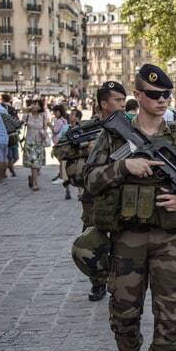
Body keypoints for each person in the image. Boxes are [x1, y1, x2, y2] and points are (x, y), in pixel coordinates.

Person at [85, 63, 176, 351]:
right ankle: (128, 347)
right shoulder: (114, 137)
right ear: (138, 95)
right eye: (154, 94)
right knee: (124, 312)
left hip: (168, 241)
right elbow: (89, 180)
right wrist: (124, 168)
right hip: (127, 240)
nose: (162, 100)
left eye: (167, 94)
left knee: (171, 317)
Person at [67, 81, 127, 302]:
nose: (122, 104)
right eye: (117, 100)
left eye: (123, 100)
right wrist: (85, 148)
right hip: (92, 197)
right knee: (93, 238)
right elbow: (61, 148)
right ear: (104, 103)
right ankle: (98, 282)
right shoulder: (88, 127)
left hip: (118, 195)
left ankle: (118, 281)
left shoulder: (128, 128)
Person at [22, 99, 49, 192]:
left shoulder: (43, 116)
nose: (35, 106)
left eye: (37, 105)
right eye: (34, 104)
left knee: (37, 165)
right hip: (30, 142)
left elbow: (45, 127)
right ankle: (36, 184)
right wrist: (28, 108)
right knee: (34, 164)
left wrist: (44, 133)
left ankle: (32, 177)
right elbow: (22, 114)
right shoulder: (27, 116)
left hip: (39, 142)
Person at [1, 94, 20, 178]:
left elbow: (16, 121)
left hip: (11, 135)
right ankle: (10, 171)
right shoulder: (7, 109)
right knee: (11, 157)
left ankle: (8, 168)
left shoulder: (7, 108)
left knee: (13, 157)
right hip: (9, 135)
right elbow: (17, 121)